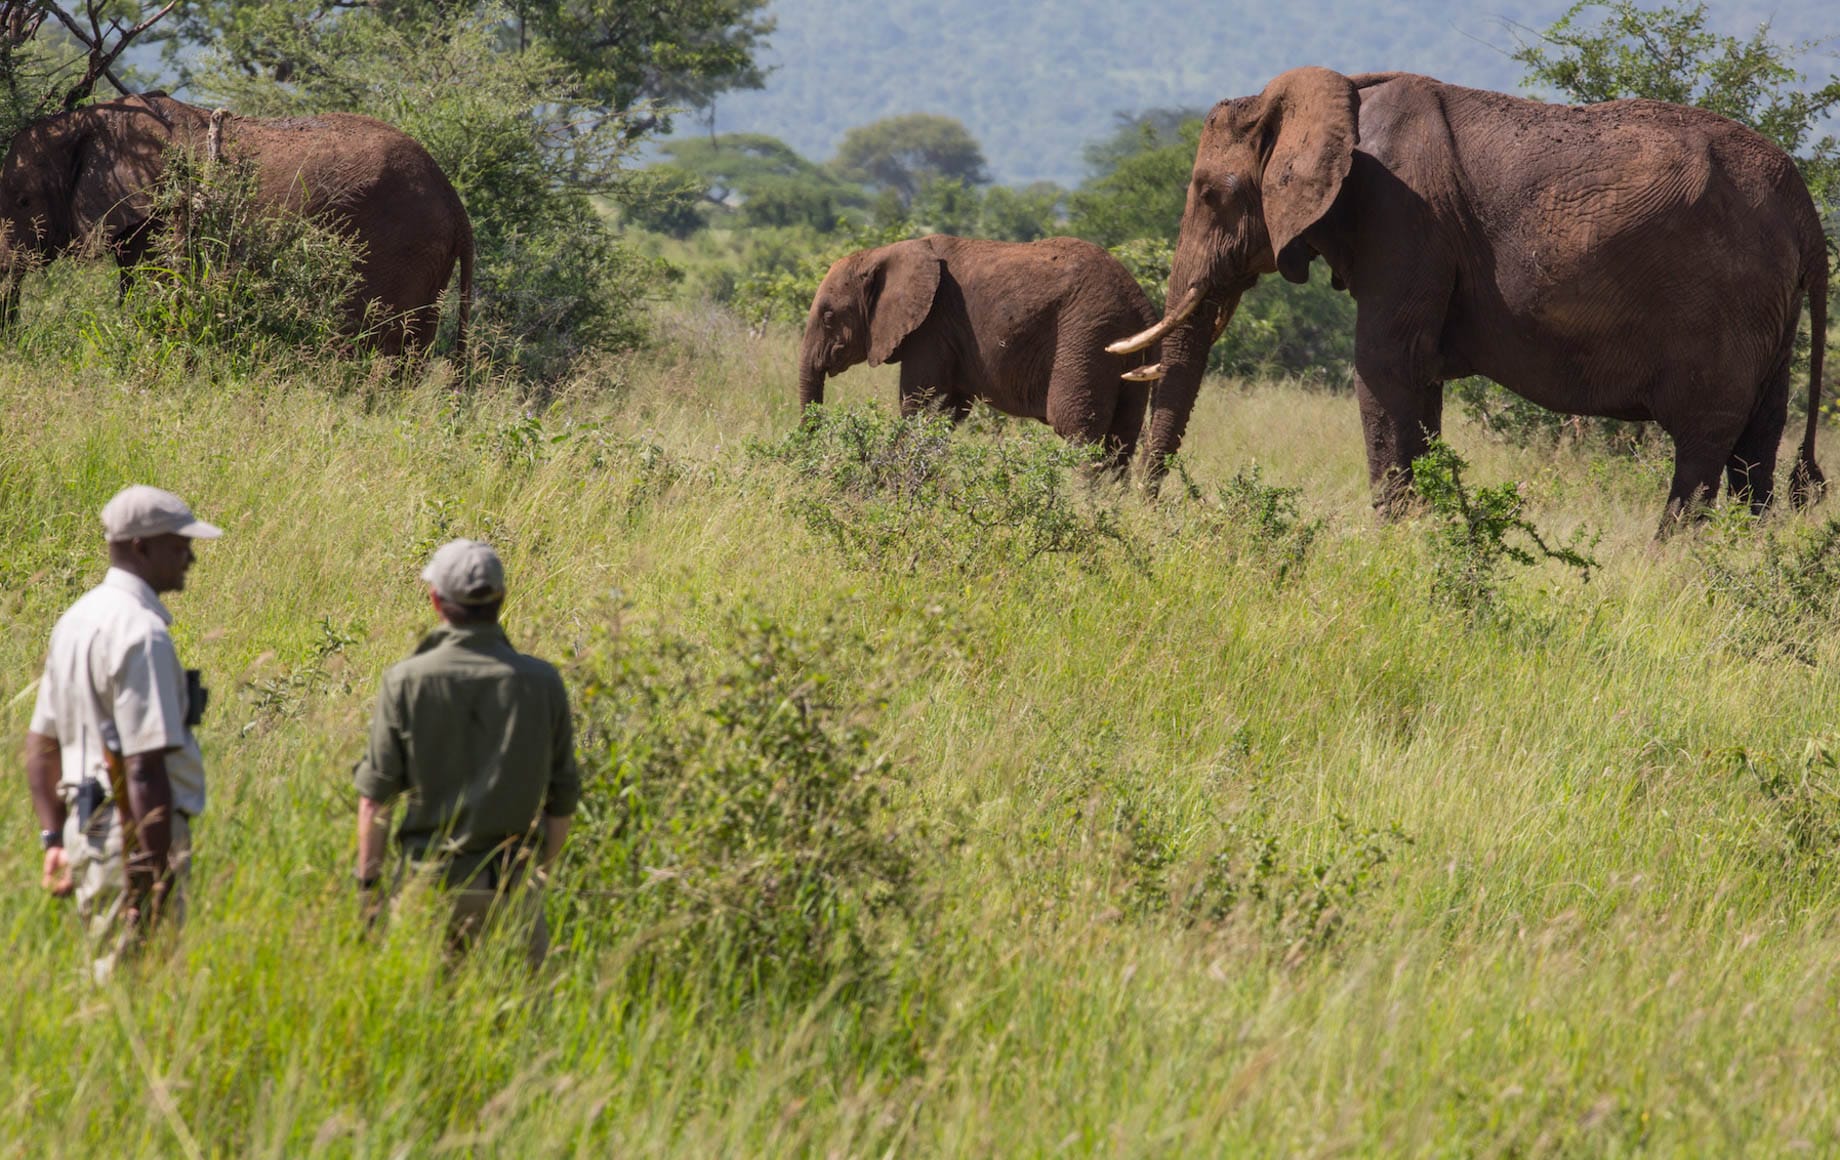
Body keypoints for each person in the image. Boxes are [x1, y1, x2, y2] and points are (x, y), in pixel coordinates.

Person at [24, 485, 222, 979]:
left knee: (106, 979)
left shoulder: (74, 621)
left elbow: (41, 747)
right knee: (139, 987)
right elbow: (143, 766)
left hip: (86, 833)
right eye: (179, 545)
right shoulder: (143, 634)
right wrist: (151, 883)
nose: (190, 558)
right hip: (132, 838)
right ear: (141, 547)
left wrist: (54, 838)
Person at [353, 538, 579, 967]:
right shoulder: (543, 682)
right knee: (520, 1027)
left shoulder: (406, 681)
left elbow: (373, 803)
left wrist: (369, 894)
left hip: (429, 893)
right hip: (511, 895)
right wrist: (532, 877)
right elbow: (562, 802)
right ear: (502, 599)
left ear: (436, 601)